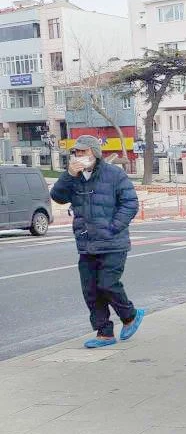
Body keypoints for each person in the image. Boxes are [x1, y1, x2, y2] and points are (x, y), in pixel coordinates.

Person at [50, 135, 144, 348]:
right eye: (76, 152)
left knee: (108, 283)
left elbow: (130, 203)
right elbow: (57, 196)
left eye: (83, 152)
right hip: (87, 243)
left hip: (113, 242)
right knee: (91, 289)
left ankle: (130, 315)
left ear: (94, 152)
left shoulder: (114, 174)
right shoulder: (73, 177)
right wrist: (69, 174)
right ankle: (104, 333)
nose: (78, 156)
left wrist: (113, 228)